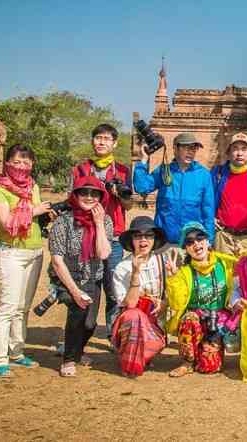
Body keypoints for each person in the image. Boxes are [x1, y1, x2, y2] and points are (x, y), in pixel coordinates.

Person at [0, 144, 54, 378]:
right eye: (16, 162)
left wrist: (45, 215)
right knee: (8, 307)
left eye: (26, 163)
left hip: (34, 251)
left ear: (32, 165)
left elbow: (35, 219)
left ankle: (16, 351)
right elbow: (7, 223)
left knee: (23, 307)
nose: (21, 167)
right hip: (11, 252)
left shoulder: (32, 186)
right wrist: (35, 211)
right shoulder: (0, 191)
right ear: (7, 163)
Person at [70, 123, 133, 340]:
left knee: (114, 288)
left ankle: (113, 335)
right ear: (92, 141)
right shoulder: (80, 170)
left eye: (106, 139)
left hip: (113, 236)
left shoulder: (123, 171)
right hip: (85, 235)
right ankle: (81, 335)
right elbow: (72, 201)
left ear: (114, 143)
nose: (102, 142)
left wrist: (118, 194)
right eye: (98, 138)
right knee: (86, 285)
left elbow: (129, 205)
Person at [48, 176, 114, 377]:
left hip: (92, 277)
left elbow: (103, 254)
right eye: (84, 193)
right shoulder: (64, 221)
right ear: (75, 195)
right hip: (67, 276)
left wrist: (99, 224)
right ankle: (69, 359)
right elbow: (57, 261)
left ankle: (77, 351)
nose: (89, 197)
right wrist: (75, 291)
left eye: (94, 193)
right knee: (78, 310)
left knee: (89, 323)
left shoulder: (106, 221)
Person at [165, 223, 238, 376]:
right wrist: (173, 277)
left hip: (217, 321)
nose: (196, 244)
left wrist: (241, 252)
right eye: (190, 242)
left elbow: (246, 264)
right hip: (194, 322)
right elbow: (176, 304)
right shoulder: (184, 272)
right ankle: (187, 362)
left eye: (200, 238)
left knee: (210, 368)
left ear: (208, 241)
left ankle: (204, 352)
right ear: (186, 248)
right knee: (189, 318)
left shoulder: (224, 263)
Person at [110, 216, 169, 377]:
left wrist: (164, 302)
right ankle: (130, 361)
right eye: (138, 236)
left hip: (155, 325)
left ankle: (144, 353)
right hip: (131, 325)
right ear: (131, 240)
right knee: (133, 315)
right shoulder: (122, 267)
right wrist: (135, 273)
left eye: (148, 235)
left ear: (154, 239)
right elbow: (129, 304)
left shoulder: (163, 262)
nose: (143, 240)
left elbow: (174, 295)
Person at [133, 132, 215, 245]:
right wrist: (143, 160)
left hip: (192, 242)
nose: (190, 152)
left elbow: (208, 210)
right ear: (175, 148)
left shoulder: (203, 175)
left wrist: (209, 240)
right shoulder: (164, 171)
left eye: (194, 148)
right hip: (164, 241)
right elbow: (141, 187)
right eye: (186, 148)